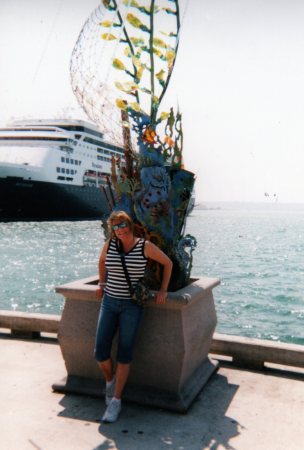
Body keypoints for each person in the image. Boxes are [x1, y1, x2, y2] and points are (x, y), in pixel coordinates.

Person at [95, 210, 173, 423]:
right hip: (109, 302)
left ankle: (116, 401)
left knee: (124, 353)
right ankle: (110, 382)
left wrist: (164, 290)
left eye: (122, 226)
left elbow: (168, 263)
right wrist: (102, 283)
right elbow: (102, 262)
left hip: (132, 306)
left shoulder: (144, 246)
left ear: (129, 225)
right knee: (100, 352)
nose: (119, 231)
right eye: (115, 227)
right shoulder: (110, 244)